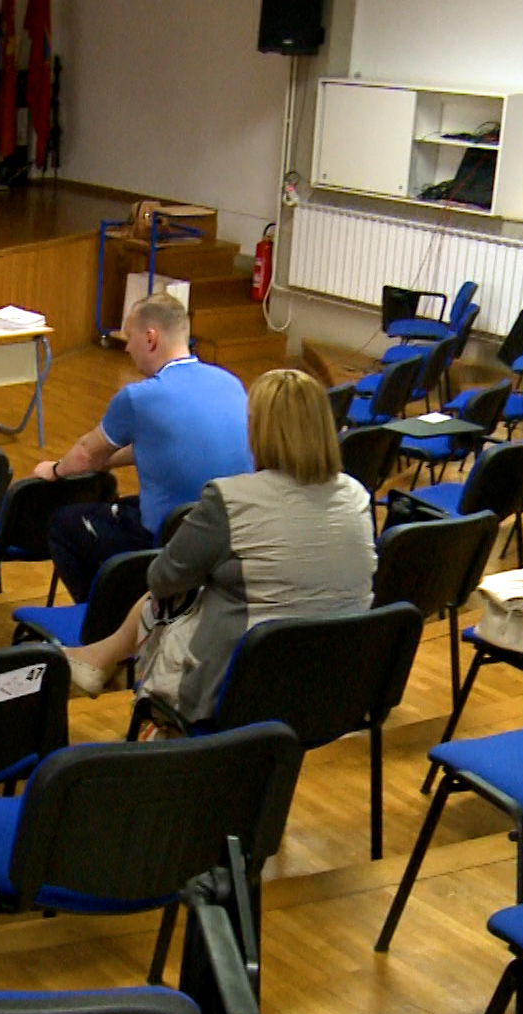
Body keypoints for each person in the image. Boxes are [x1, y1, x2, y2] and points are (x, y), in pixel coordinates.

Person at [61, 369, 375, 728]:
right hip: (336, 689)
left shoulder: (231, 499)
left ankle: (112, 675)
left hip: (243, 692)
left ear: (259, 430)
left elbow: (162, 578)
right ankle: (100, 660)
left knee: (168, 602)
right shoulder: (356, 495)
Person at [38, 293, 253, 601]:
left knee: (63, 525)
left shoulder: (138, 398)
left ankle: (103, 617)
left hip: (167, 540)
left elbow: (86, 453)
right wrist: (107, 461)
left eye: (129, 337)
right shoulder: (230, 382)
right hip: (228, 534)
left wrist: (55, 469)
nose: (126, 348)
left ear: (151, 338)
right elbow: (167, 445)